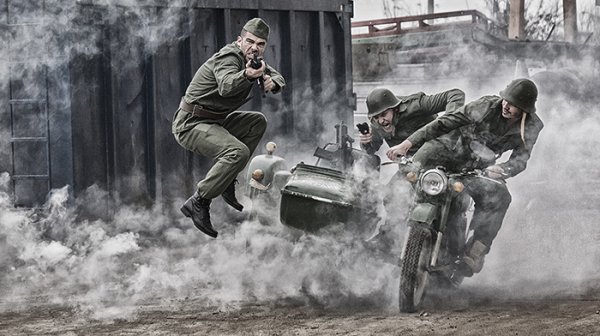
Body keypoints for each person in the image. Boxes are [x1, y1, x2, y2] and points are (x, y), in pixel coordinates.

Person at [393, 78, 544, 277]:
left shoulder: (532, 126)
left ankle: (475, 252)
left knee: (500, 197)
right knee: (408, 175)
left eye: (513, 105)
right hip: (445, 150)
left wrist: (503, 169)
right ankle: (390, 230)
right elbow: (444, 122)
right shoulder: (486, 106)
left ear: (525, 110)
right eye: (506, 100)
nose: (506, 106)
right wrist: (408, 144)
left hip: (476, 169)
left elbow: (521, 159)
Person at [172, 18, 286, 238]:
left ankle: (225, 181)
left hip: (213, 121)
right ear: (239, 40)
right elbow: (225, 86)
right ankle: (199, 201)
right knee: (238, 152)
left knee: (257, 121)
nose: (254, 47)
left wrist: (274, 82)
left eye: (260, 44)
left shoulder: (253, 59)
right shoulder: (229, 56)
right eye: (250, 41)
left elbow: (276, 74)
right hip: (190, 124)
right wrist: (247, 75)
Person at [359, 87, 465, 253]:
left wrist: (449, 123)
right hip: (412, 168)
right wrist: (366, 142)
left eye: (384, 114)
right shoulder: (377, 125)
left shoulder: (415, 106)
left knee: (454, 203)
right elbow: (372, 148)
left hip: (443, 160)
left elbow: (455, 94)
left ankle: (454, 248)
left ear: (395, 109)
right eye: (376, 117)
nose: (381, 120)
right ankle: (390, 239)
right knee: (391, 196)